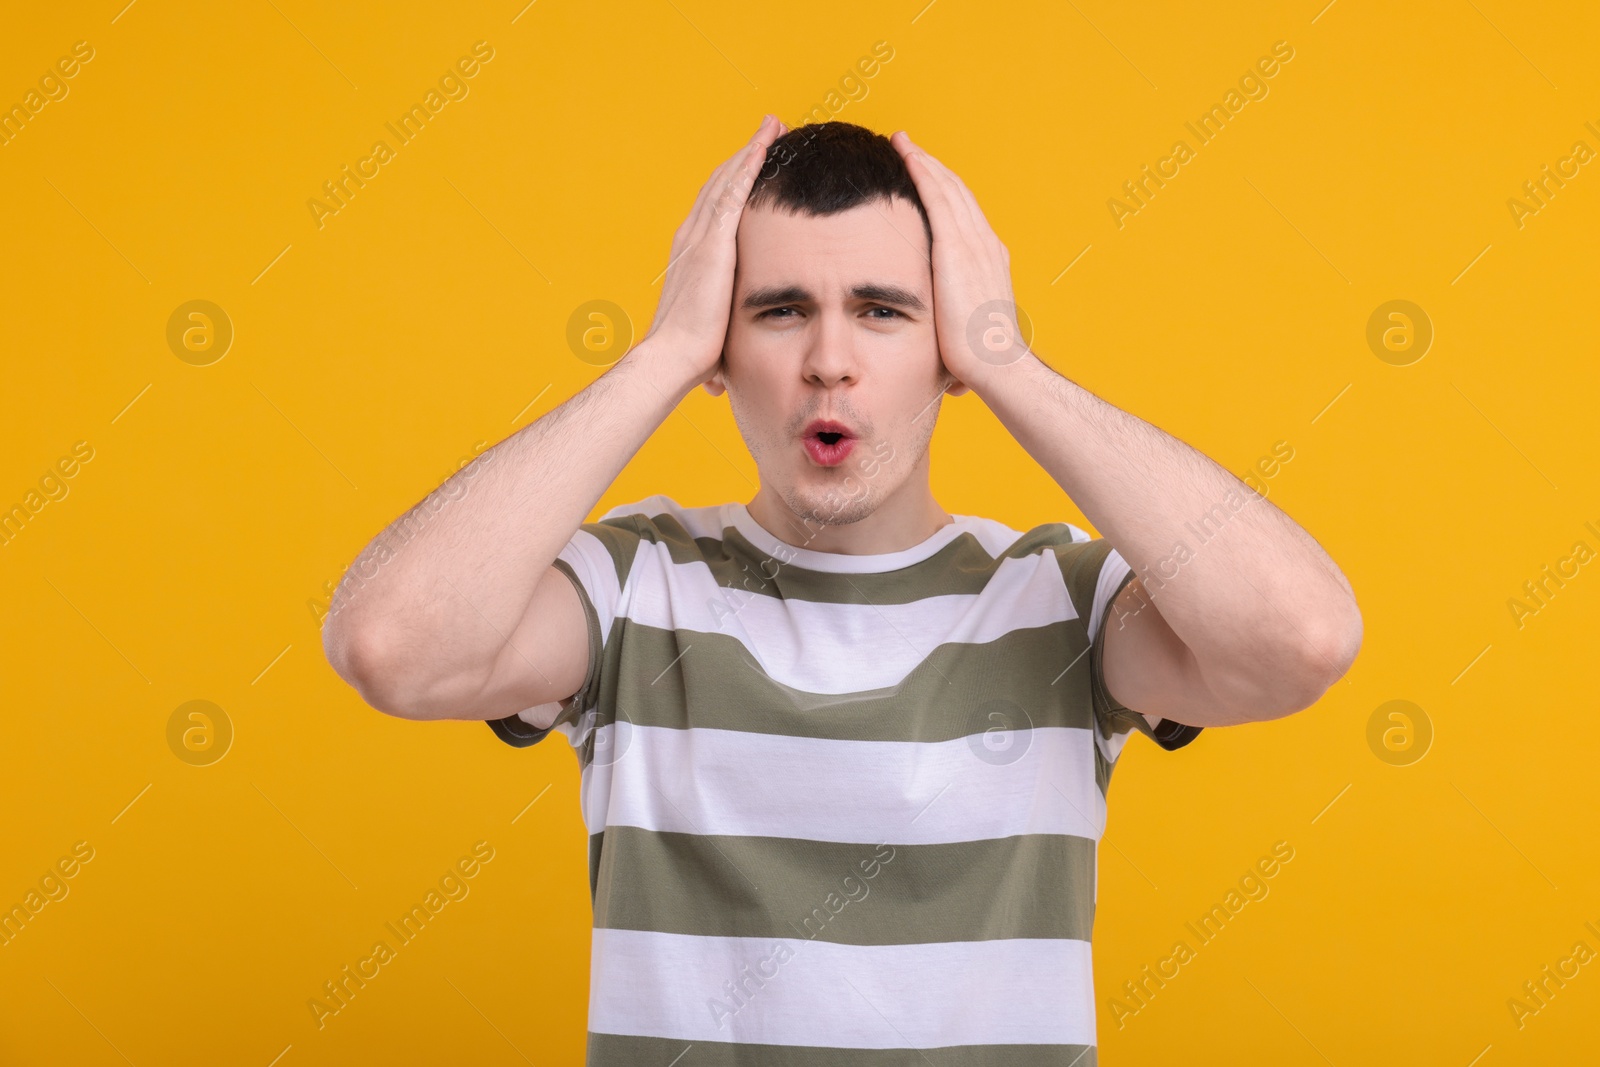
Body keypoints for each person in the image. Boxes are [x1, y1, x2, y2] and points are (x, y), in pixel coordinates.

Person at [322, 115, 1362, 1064]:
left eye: (882, 311)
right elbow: (393, 644)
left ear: (946, 347)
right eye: (777, 311)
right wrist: (664, 351)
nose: (829, 361)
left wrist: (1010, 361)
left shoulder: (1056, 599)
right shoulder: (634, 589)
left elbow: (1299, 639)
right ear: (724, 348)